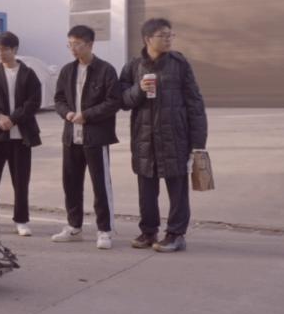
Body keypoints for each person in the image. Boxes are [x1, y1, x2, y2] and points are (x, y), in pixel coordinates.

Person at [119, 18, 208, 253]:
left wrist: (198, 143)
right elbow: (122, 100)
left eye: (170, 35)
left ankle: (176, 235)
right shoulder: (133, 66)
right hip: (144, 137)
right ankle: (149, 231)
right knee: (146, 188)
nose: (168, 39)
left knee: (177, 189)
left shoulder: (179, 64)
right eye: (163, 35)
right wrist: (139, 90)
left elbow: (195, 102)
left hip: (174, 136)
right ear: (148, 39)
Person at [52, 25, 122, 249]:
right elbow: (59, 99)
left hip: (96, 137)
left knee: (100, 185)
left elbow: (114, 102)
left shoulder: (106, 70)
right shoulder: (67, 71)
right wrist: (67, 113)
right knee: (71, 183)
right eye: (70, 44)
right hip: (71, 137)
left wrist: (87, 115)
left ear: (90, 44)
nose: (73, 49)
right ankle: (74, 227)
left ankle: (105, 230)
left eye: (77, 44)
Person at [0, 31, 42, 236]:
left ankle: (21, 220)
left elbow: (33, 102)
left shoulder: (28, 74)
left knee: (21, 180)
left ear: (15, 49)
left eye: (5, 49)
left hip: (21, 136)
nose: (1, 53)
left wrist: (12, 119)